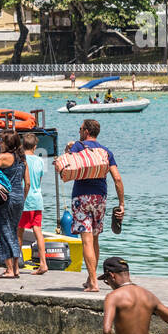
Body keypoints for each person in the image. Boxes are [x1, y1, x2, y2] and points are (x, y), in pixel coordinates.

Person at [65, 118, 124, 292]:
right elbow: (117, 178)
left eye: (80, 129)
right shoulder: (106, 151)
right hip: (100, 197)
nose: (79, 132)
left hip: (81, 197)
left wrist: (70, 147)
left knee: (86, 240)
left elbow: (66, 163)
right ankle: (91, 278)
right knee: (95, 239)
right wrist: (121, 204)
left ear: (86, 132)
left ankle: (93, 282)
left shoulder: (78, 146)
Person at [0, 130, 28, 278]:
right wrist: (22, 198)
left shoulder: (3, 157)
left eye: (1, 141)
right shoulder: (22, 159)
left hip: (6, 199)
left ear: (7, 143)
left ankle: (9, 269)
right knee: (13, 231)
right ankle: (16, 268)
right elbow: (27, 183)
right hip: (19, 198)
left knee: (4, 231)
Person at [20, 134, 48, 275]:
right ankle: (43, 263)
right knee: (38, 231)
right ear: (35, 147)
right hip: (37, 198)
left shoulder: (21, 160)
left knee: (19, 231)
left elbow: (26, 182)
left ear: (22, 145)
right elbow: (39, 179)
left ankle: (15, 263)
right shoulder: (40, 160)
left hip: (26, 199)